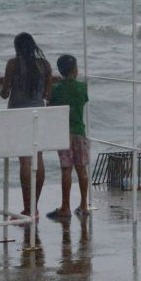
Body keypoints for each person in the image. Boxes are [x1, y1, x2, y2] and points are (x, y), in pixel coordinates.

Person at [0, 32, 53, 219]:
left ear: (17, 47)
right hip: (38, 114)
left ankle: (27, 207)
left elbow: (5, 93)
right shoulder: (44, 65)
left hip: (19, 115)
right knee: (39, 159)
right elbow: (47, 95)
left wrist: (0, 84)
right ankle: (34, 206)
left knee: (25, 162)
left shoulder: (12, 64)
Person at [46, 54, 90, 219]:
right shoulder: (82, 88)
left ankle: (65, 206)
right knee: (81, 168)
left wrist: (53, 82)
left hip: (63, 133)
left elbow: (49, 103)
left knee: (66, 169)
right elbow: (83, 100)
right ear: (76, 70)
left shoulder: (57, 89)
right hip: (79, 131)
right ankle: (84, 204)